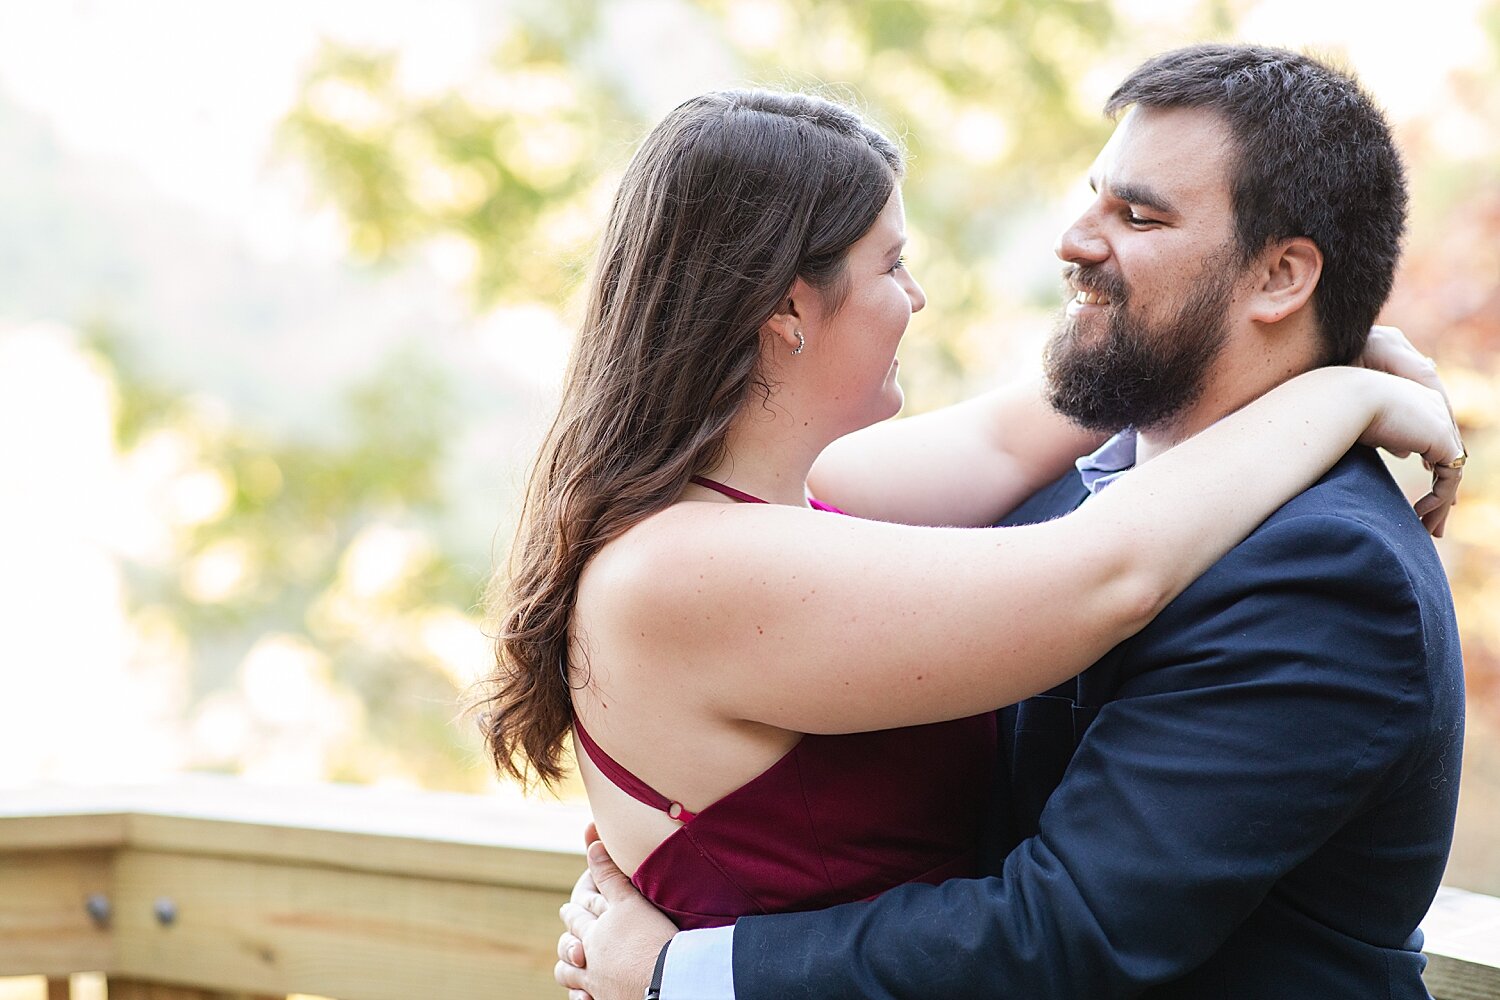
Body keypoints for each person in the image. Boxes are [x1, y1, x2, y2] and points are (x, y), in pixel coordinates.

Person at [553, 46, 1467, 1000]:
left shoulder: (1324, 569)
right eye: (893, 265)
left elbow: (1065, 930)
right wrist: (1339, 389)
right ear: (786, 307)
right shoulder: (696, 557)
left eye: (1138, 213)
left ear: (1281, 278)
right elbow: (1095, 569)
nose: (1072, 239)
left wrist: (677, 975)